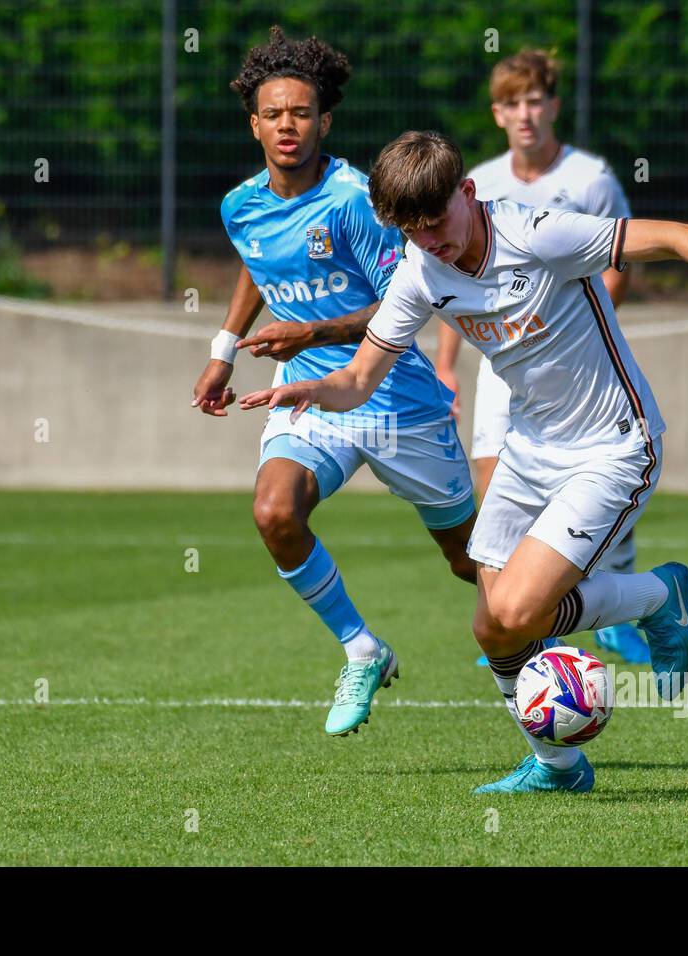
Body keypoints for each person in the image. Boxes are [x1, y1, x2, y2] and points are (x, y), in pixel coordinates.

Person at [240, 131, 688, 792]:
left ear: (467, 193)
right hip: (530, 453)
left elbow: (681, 235)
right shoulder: (418, 273)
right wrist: (313, 390)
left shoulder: (539, 235)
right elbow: (358, 381)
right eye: (413, 232)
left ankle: (657, 595)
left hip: (614, 445)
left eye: (438, 222)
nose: (431, 242)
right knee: (490, 627)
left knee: (523, 613)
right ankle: (560, 768)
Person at [191, 30, 477, 738]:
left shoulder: (357, 200)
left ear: (325, 121)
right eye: (274, 114)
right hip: (309, 397)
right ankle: (362, 648)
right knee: (274, 512)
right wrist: (224, 349)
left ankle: (627, 602)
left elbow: (403, 307)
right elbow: (259, 262)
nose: (288, 125)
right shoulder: (241, 206)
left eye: (302, 112)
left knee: (472, 564)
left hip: (394, 397)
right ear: (253, 123)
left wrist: (309, 333)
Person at [435, 49, 649, 666]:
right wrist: (447, 364)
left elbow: (618, 264)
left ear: (553, 106)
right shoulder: (480, 180)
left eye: (535, 101)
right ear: (497, 113)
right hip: (500, 356)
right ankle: (523, 624)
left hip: (571, 353)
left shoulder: (590, 180)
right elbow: (451, 286)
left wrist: (569, 323)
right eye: (511, 103)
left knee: (593, 473)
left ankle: (610, 605)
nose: (524, 114)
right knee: (492, 478)